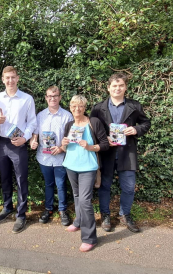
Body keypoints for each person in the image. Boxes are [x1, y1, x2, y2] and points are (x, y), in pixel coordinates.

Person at [90, 73, 151, 233]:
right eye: (114, 86)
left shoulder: (134, 106)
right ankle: (105, 215)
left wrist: (136, 129)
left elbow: (146, 122)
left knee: (129, 187)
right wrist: (103, 139)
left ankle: (125, 214)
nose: (117, 88)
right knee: (104, 186)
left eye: (121, 85)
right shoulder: (98, 108)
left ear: (125, 87)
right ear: (108, 88)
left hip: (127, 153)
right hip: (107, 153)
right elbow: (91, 129)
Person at [0, 66, 37, 233]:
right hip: (1, 142)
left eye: (12, 77)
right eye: (7, 78)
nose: (10, 80)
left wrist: (25, 138)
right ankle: (7, 206)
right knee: (5, 177)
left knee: (21, 178)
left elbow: (32, 122)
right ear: (3, 79)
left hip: (18, 142)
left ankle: (21, 214)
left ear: (18, 78)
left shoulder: (27, 99)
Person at [61, 95, 109, 252]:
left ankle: (90, 238)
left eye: (80, 106)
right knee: (76, 196)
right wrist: (63, 144)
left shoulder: (93, 123)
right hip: (70, 165)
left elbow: (105, 145)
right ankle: (79, 221)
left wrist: (89, 147)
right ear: (70, 107)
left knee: (85, 201)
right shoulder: (69, 125)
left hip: (88, 167)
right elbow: (64, 148)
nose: (77, 109)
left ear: (85, 107)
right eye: (74, 106)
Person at [29, 86, 73, 226]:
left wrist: (61, 148)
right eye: (49, 96)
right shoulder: (40, 115)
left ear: (60, 97)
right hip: (44, 157)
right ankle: (48, 209)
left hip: (60, 157)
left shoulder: (67, 116)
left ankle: (62, 210)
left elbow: (72, 138)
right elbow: (35, 133)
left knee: (60, 185)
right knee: (48, 184)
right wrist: (33, 141)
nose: (52, 98)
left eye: (55, 96)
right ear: (46, 98)